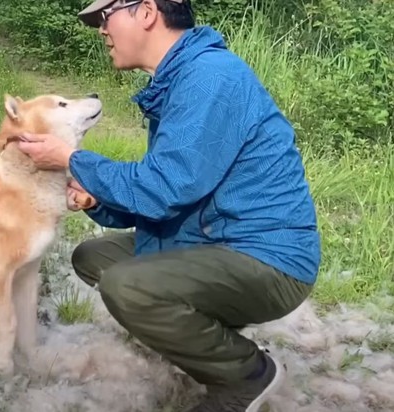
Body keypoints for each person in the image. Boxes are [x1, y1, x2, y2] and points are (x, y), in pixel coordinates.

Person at [16, 0, 321, 411]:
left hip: (266, 258)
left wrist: (72, 160)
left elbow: (164, 189)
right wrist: (96, 198)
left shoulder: (209, 78)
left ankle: (246, 375)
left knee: (128, 286)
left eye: (106, 18)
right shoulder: (179, 79)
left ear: (146, 12)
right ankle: (207, 340)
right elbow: (164, 196)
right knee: (94, 257)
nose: (101, 31)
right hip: (210, 239)